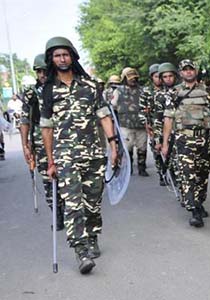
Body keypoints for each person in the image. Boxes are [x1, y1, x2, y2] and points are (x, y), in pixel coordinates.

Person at [40, 36, 118, 274]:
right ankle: (81, 252)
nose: (61, 59)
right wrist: (50, 161)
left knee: (93, 203)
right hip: (65, 157)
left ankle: (92, 236)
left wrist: (113, 146)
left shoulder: (91, 87)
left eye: (65, 54)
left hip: (93, 153)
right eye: (57, 55)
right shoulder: (48, 91)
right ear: (51, 60)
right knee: (74, 205)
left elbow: (104, 115)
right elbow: (46, 127)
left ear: (72, 56)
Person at [161, 59, 210, 228]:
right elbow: (168, 118)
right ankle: (193, 209)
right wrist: (165, 143)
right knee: (188, 174)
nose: (188, 72)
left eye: (191, 69)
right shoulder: (174, 93)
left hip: (204, 139)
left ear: (195, 71)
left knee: (202, 174)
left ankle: (200, 202)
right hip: (184, 140)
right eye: (185, 70)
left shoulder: (206, 91)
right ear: (180, 73)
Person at [20, 53, 64, 229]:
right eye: (39, 72)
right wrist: (25, 145)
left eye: (45, 71)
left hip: (63, 140)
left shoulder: (60, 88)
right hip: (40, 141)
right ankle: (57, 215)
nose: (42, 75)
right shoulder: (31, 94)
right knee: (48, 180)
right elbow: (25, 120)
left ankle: (70, 213)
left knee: (67, 179)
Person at [112, 67, 149, 176]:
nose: (133, 80)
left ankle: (142, 168)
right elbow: (113, 105)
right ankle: (129, 168)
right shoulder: (118, 91)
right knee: (128, 148)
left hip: (141, 124)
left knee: (142, 147)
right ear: (124, 78)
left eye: (134, 78)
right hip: (126, 124)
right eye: (130, 78)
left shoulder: (143, 90)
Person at [153, 62, 178, 188]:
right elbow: (158, 119)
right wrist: (158, 140)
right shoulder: (159, 96)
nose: (168, 79)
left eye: (171, 76)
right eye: (165, 77)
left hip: (182, 133)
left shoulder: (181, 91)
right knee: (172, 164)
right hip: (168, 134)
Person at [143, 63, 165, 185]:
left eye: (160, 76)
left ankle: (172, 173)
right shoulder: (147, 91)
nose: (159, 79)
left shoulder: (168, 89)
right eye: (156, 76)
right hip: (154, 126)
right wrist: (146, 124)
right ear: (152, 77)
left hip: (167, 124)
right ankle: (162, 173)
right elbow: (141, 110)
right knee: (157, 151)